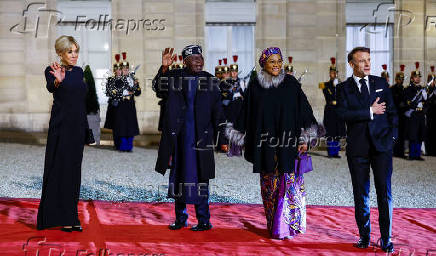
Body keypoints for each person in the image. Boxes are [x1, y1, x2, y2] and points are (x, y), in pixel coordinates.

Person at [227, 47, 321, 240]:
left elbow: (305, 110)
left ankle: (291, 226)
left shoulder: (291, 84)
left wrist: (305, 137)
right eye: (272, 61)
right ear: (264, 63)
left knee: (290, 186)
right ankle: (275, 226)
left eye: (279, 60)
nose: (277, 64)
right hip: (265, 146)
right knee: (270, 187)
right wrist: (238, 137)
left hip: (290, 144)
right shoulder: (255, 86)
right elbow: (246, 114)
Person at [152, 45, 225, 231]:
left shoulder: (210, 80)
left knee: (201, 178)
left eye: (201, 58)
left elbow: (218, 112)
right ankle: (180, 218)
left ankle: (204, 220)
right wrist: (165, 68)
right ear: (185, 61)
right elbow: (158, 89)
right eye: (194, 58)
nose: (199, 61)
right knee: (179, 177)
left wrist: (223, 138)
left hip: (201, 140)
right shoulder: (175, 76)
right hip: (179, 140)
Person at [336, 47, 397, 253]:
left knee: (384, 193)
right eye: (362, 61)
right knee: (361, 194)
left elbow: (392, 113)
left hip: (382, 148)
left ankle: (386, 239)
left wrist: (393, 137)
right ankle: (364, 236)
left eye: (369, 59)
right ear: (352, 64)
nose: (368, 64)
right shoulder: (343, 88)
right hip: (358, 148)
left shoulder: (380, 83)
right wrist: (369, 111)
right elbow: (343, 114)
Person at [37, 35, 89, 232]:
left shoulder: (79, 72)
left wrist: (87, 130)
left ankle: (71, 215)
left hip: (77, 128)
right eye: (70, 51)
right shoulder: (51, 70)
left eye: (76, 51)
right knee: (59, 170)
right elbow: (52, 87)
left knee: (74, 172)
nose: (74, 55)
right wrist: (58, 81)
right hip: (61, 128)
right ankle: (59, 216)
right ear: (60, 53)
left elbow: (82, 102)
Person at [111, 52, 141, 152]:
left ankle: (129, 145)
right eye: (124, 69)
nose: (126, 71)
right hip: (121, 105)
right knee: (122, 126)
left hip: (130, 105)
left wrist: (136, 86)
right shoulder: (117, 79)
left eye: (127, 69)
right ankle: (122, 145)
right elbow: (115, 92)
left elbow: (138, 93)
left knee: (130, 126)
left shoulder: (133, 79)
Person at [320, 57, 346, 158]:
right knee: (330, 131)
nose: (333, 74)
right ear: (329, 74)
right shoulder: (325, 85)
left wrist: (337, 85)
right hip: (330, 110)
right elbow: (327, 94)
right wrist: (332, 86)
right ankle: (331, 152)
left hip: (338, 110)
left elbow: (342, 96)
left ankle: (336, 152)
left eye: (335, 73)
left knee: (338, 131)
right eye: (332, 73)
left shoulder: (340, 85)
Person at [404, 62, 426, 161]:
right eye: (416, 77)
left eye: (419, 77)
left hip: (421, 113)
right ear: (412, 78)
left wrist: (425, 97)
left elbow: (426, 102)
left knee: (420, 133)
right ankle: (412, 154)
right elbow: (408, 102)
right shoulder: (408, 89)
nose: (418, 78)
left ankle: (418, 154)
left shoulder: (422, 89)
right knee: (413, 134)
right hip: (413, 113)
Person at [390, 64, 407, 158]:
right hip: (395, 114)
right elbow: (391, 101)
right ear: (396, 79)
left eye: (402, 79)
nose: (401, 80)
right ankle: (395, 151)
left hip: (403, 114)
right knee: (395, 134)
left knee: (402, 133)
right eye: (400, 79)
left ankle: (401, 152)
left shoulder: (404, 89)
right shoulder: (392, 89)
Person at [425, 66, 436, 155]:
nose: (433, 82)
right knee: (428, 133)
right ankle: (429, 150)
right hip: (429, 114)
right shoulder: (426, 89)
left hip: (434, 114)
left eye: (434, 80)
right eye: (431, 80)